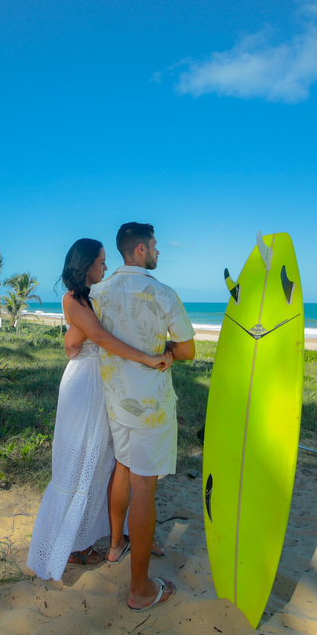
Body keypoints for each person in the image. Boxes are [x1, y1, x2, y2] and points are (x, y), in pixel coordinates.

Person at [26, 238, 172, 582]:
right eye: (101, 262)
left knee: (104, 461)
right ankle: (69, 545)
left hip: (105, 380)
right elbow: (99, 338)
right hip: (84, 383)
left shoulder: (98, 296)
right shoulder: (72, 299)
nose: (106, 268)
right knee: (77, 459)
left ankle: (102, 537)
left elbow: (81, 339)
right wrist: (148, 358)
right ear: (85, 264)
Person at [90, 222, 195, 612]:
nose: (157, 252)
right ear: (139, 249)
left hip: (117, 401)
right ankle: (139, 590)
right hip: (150, 407)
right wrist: (164, 348)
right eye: (154, 245)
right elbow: (187, 351)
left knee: (123, 466)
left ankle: (116, 545)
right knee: (145, 488)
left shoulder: (97, 291)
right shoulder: (163, 293)